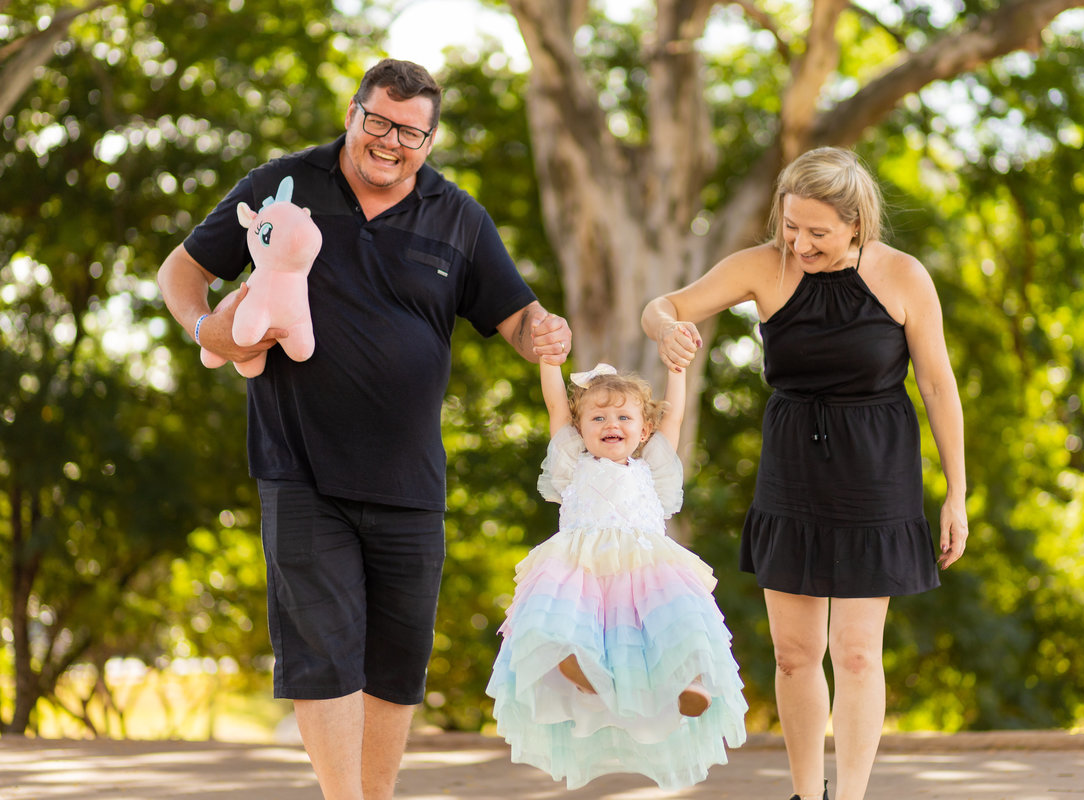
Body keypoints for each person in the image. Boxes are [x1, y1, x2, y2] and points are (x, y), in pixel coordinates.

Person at [156, 59, 572, 800]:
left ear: (431, 140)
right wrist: (203, 326)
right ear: (352, 113)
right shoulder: (282, 186)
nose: (390, 141)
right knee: (323, 655)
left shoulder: (459, 216)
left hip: (410, 480)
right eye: (378, 121)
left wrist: (542, 332)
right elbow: (181, 270)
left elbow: (512, 314)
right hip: (299, 467)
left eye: (410, 131)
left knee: (395, 664)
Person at [641, 146, 967, 800]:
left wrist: (957, 493)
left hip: (875, 470)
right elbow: (665, 305)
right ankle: (803, 793)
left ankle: (849, 796)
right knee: (793, 655)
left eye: (818, 231)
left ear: (855, 223)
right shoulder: (765, 266)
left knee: (854, 653)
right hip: (792, 467)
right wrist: (664, 330)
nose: (800, 242)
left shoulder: (903, 277)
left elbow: (936, 384)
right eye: (792, 225)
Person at [485, 359, 748, 790]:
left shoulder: (653, 469)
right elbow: (555, 403)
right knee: (558, 621)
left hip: (647, 572)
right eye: (599, 417)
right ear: (581, 428)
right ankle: (572, 662)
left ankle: (690, 681)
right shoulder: (572, 464)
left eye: (624, 417)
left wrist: (677, 369)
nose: (612, 424)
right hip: (581, 572)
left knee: (679, 621)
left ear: (644, 430)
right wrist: (550, 363)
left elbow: (675, 416)